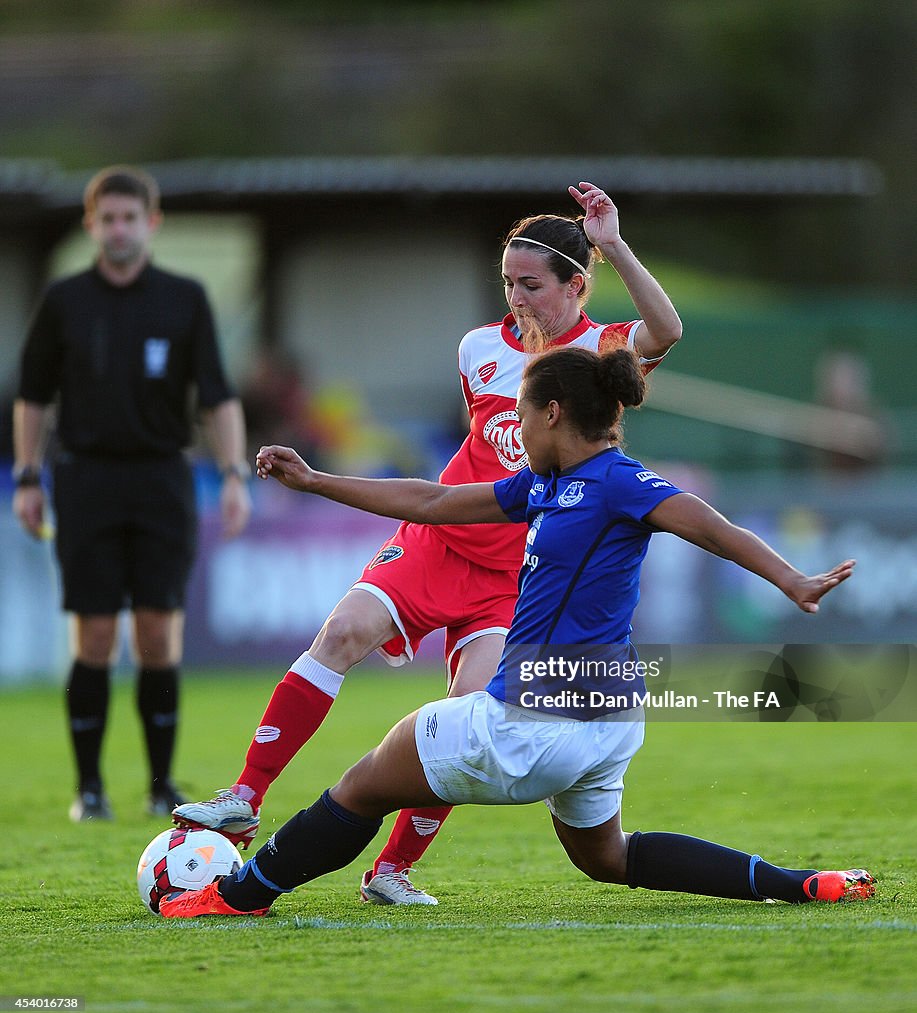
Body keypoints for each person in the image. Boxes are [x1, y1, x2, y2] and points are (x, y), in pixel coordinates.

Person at [159, 345, 874, 919]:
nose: (514, 433)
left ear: (553, 413)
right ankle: (798, 885)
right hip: (605, 720)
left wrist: (792, 580)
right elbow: (434, 500)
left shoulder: (620, 483)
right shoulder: (543, 485)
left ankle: (232, 897)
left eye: (521, 418)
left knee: (362, 784)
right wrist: (317, 482)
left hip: (533, 720)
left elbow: (710, 526)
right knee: (606, 858)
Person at [171, 181, 684, 905]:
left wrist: (614, 244)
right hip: (440, 538)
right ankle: (245, 797)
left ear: (576, 282)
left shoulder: (601, 350)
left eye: (531, 285)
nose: (517, 298)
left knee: (465, 708)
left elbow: (663, 330)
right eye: (507, 282)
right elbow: (465, 471)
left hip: (515, 574)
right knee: (343, 630)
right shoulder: (478, 348)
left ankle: (392, 871)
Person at [12, 165, 251, 823]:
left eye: (129, 218)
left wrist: (233, 475)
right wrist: (28, 477)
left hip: (161, 479)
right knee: (92, 635)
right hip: (85, 477)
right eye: (106, 219)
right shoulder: (64, 301)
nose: (118, 230)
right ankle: (88, 789)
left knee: (156, 634)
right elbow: (32, 396)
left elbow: (218, 396)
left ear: (151, 223)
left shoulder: (183, 298)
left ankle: (159, 783)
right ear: (91, 225)